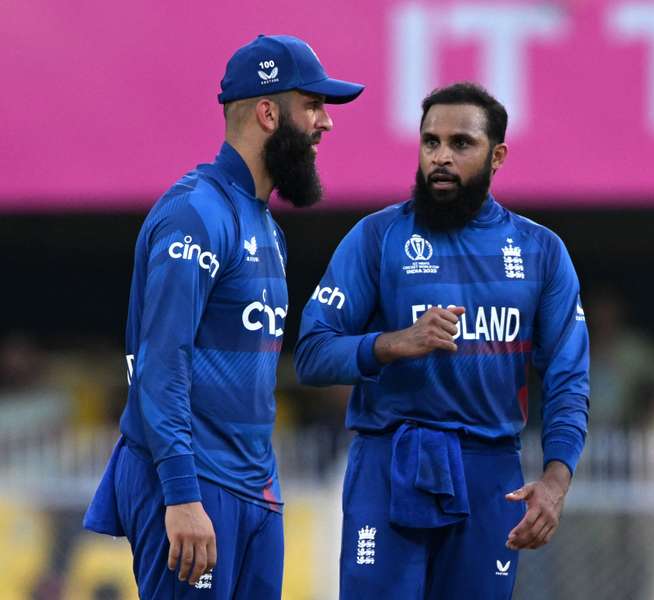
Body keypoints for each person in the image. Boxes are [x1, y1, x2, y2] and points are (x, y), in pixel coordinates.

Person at [83, 34, 363, 598]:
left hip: (255, 492)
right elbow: (160, 366)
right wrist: (183, 494)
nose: (325, 123)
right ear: (267, 112)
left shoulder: (267, 229)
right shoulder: (195, 214)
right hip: (195, 491)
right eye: (312, 105)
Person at [295, 82, 590, 599]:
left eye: (461, 144)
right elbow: (313, 353)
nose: (441, 157)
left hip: (490, 470)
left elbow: (568, 379)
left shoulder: (541, 251)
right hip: (388, 464)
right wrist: (390, 343)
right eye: (430, 142)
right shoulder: (377, 237)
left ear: (497, 156)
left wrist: (556, 481)